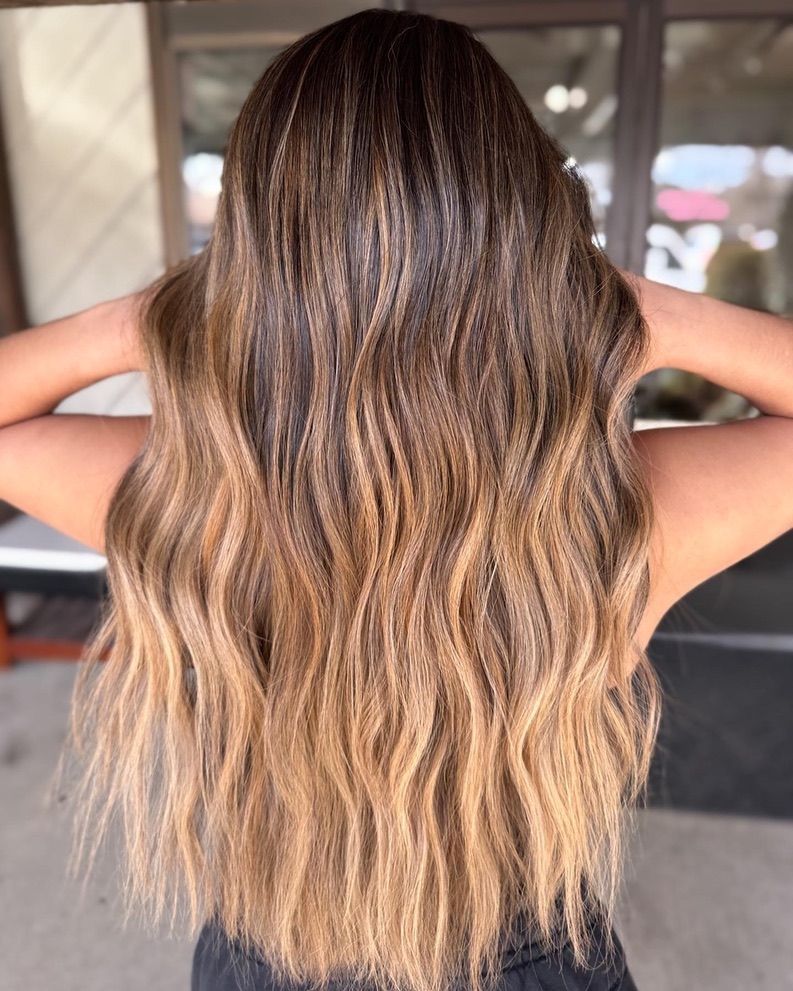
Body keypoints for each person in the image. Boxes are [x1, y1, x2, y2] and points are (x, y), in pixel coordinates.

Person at [1, 8, 792, 991]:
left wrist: (156, 316)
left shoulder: (191, 497)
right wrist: (637, 307)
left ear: (255, 251)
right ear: (525, 236)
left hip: (264, 957)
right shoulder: (608, 511)